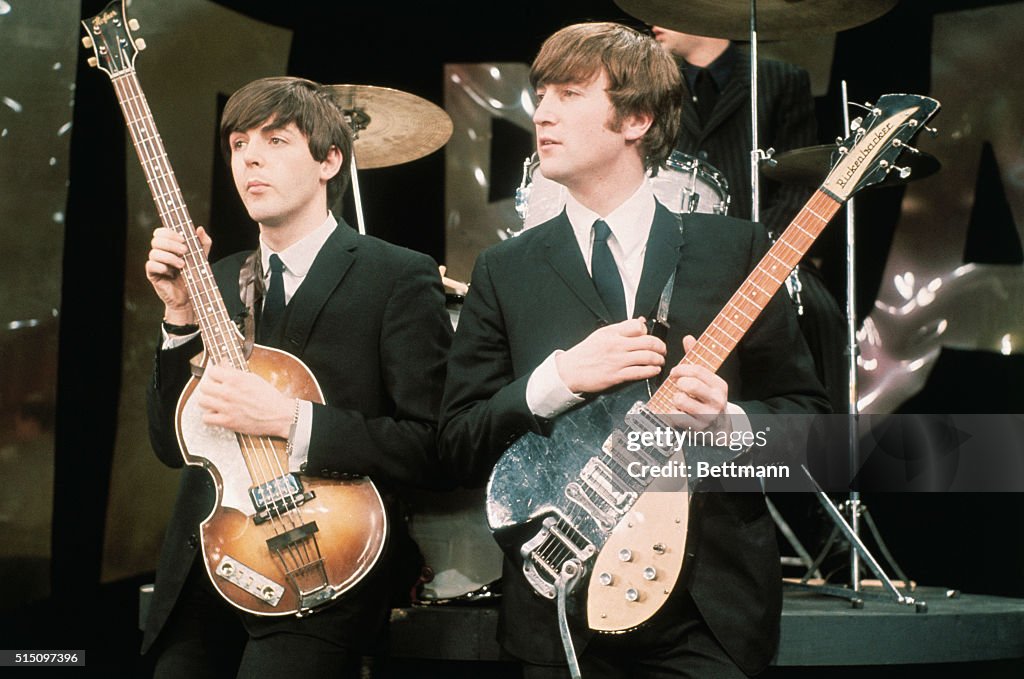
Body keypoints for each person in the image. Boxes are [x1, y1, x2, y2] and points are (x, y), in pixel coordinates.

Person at [439, 21, 830, 679]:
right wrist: (557, 379)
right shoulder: (505, 269)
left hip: (709, 617)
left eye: (569, 93)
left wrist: (730, 425)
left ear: (637, 119)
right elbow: (453, 444)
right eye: (542, 93)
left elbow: (813, 432)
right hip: (559, 610)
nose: (545, 112)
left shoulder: (734, 250)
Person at [142, 76, 451, 678]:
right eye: (238, 144)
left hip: (321, 565)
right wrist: (178, 319)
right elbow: (169, 445)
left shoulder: (396, 277)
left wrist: (288, 420)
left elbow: (434, 444)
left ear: (329, 160)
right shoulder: (215, 279)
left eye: (276, 140)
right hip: (208, 563)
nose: (250, 157)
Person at [653, 26, 848, 414]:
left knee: (818, 309)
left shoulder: (780, 79)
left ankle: (823, 452)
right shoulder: (655, 84)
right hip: (677, 256)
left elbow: (799, 187)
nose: (653, 16)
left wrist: (764, 255)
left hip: (767, 251)